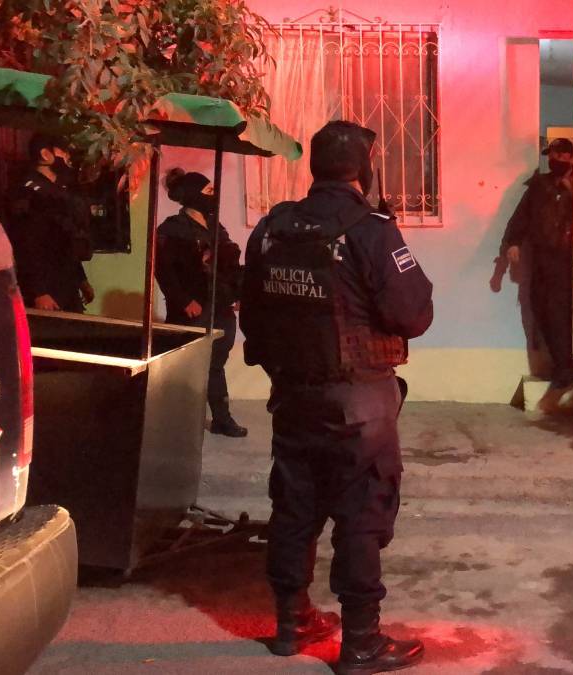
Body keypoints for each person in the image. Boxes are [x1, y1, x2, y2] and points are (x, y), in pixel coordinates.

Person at [240, 120, 433, 674]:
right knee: (363, 513)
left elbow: (252, 315)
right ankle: (362, 642)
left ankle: (292, 622)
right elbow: (413, 315)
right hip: (359, 401)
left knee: (294, 506)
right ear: (364, 170)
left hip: (292, 397)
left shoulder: (273, 228)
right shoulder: (371, 230)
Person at [157, 168, 248, 437]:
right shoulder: (172, 229)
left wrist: (238, 294)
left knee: (215, 363)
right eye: (208, 190)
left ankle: (222, 419)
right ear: (193, 195)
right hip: (192, 309)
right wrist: (184, 301)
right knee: (187, 366)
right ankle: (178, 421)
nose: (214, 195)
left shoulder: (215, 226)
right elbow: (164, 271)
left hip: (220, 305)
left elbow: (230, 265)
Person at [498, 138, 573, 388]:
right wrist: (513, 243)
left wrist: (572, 192)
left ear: (569, 157)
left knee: (559, 314)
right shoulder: (539, 186)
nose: (553, 160)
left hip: (568, 263)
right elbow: (521, 217)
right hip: (542, 261)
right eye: (550, 155)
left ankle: (565, 368)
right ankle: (560, 365)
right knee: (539, 310)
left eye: (558, 155)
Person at [5, 134, 94, 312]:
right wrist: (38, 292)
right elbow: (24, 245)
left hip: (66, 282)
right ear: (45, 154)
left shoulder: (59, 190)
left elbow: (66, 240)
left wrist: (81, 279)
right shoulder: (28, 192)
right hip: (46, 288)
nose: (68, 156)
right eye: (63, 151)